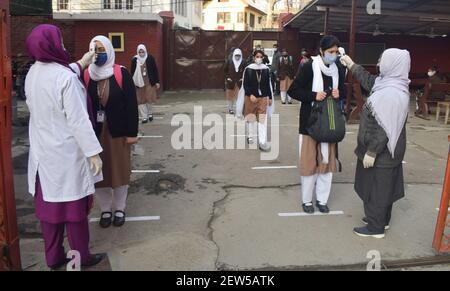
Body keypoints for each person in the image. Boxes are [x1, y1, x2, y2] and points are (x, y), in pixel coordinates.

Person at [25, 24, 105, 269]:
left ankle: (53, 258)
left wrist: (83, 61)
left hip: (43, 156)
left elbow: (60, 73)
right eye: (59, 42)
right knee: (74, 213)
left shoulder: (33, 73)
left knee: (50, 213)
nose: (62, 46)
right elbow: (79, 120)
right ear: (52, 45)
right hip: (66, 156)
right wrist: (93, 152)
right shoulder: (66, 79)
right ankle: (80, 258)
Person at [340, 49, 410, 239]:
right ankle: (382, 220)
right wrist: (351, 64)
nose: (379, 63)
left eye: (382, 60)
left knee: (375, 188)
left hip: (381, 153)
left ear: (393, 64)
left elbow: (383, 128)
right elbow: (369, 81)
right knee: (385, 187)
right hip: (391, 152)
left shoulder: (390, 94)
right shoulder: (393, 84)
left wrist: (372, 151)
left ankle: (375, 227)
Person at [288, 35, 346, 214]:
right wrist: (313, 95)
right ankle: (307, 201)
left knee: (326, 164)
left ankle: (322, 199)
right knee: (308, 164)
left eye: (336, 52)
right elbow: (293, 91)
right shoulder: (309, 67)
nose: (334, 55)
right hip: (310, 124)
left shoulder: (339, 70)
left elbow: (343, 92)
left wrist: (339, 94)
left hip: (329, 123)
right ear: (321, 51)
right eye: (330, 52)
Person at [85, 36, 139, 229]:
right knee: (100, 173)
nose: (98, 53)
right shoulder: (86, 75)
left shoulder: (121, 73)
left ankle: (120, 208)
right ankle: (105, 209)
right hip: (95, 133)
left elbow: (132, 105)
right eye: (94, 49)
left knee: (119, 171)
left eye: (101, 49)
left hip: (118, 132)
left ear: (109, 50)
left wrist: (132, 133)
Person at [237, 50, 275, 152]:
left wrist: (270, 97)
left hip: (263, 97)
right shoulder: (248, 69)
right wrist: (250, 94)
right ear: (254, 58)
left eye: (261, 57)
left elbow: (268, 85)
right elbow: (245, 85)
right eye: (257, 56)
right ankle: (250, 136)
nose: (259, 58)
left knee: (262, 119)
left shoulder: (266, 69)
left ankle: (262, 141)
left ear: (263, 58)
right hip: (251, 98)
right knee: (250, 117)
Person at [131, 44, 160, 123]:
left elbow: (155, 70)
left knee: (149, 99)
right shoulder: (135, 60)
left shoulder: (150, 58)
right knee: (140, 100)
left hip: (149, 82)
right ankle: (144, 117)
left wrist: (157, 81)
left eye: (142, 51)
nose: (141, 53)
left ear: (145, 51)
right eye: (139, 52)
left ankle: (150, 113)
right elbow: (132, 72)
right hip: (139, 83)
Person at [224, 48, 245, 115]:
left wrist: (243, 78)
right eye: (236, 55)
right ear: (233, 55)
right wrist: (227, 78)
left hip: (239, 82)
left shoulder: (243, 62)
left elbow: (246, 71)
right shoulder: (229, 61)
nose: (237, 57)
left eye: (239, 55)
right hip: (231, 82)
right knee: (230, 96)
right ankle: (230, 109)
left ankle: (238, 109)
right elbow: (225, 70)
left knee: (239, 97)